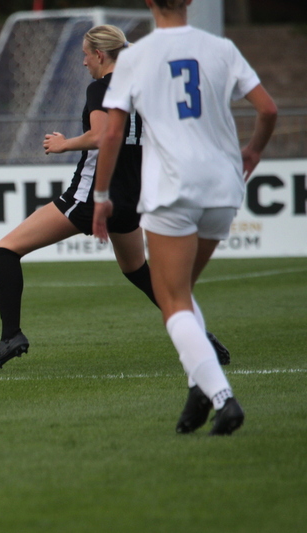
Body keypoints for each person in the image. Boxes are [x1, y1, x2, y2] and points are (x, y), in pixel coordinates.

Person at [0, 25, 230, 373]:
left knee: (6, 249)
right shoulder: (142, 89)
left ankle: (11, 336)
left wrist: (65, 144)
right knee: (139, 271)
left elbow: (101, 136)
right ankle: (200, 334)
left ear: (99, 55)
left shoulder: (102, 88)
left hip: (95, 196)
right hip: (130, 198)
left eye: (85, 55)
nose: (83, 62)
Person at [92, 0, 277, 435]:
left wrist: (101, 194)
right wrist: (253, 151)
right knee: (183, 294)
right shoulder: (221, 47)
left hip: (174, 188)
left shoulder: (135, 56)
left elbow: (113, 132)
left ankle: (222, 398)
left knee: (172, 300)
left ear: (149, 3)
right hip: (223, 186)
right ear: (191, 2)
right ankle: (198, 386)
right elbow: (267, 109)